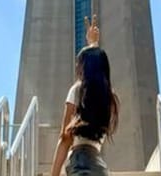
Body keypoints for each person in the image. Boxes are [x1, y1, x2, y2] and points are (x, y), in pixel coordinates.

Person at [50, 15, 120, 176]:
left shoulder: (77, 90)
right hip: (99, 166)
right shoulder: (108, 96)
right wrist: (93, 44)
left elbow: (65, 139)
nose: (77, 67)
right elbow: (97, 65)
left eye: (79, 64)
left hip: (79, 163)